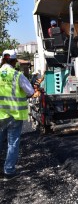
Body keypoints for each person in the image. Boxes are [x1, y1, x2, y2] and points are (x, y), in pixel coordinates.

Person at [0, 50, 34, 181]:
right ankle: (9, 171)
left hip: (0, 115)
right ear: (14, 61)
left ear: (3, 59)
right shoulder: (17, 75)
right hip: (14, 115)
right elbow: (30, 91)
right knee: (12, 143)